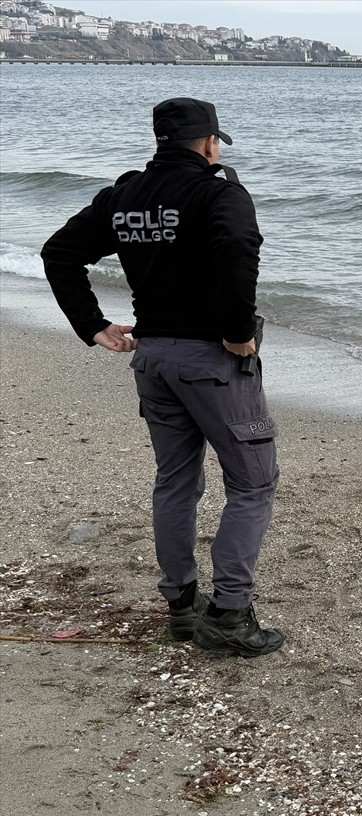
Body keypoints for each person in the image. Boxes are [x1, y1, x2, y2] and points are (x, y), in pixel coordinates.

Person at [42, 97, 285, 658]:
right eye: (217, 141)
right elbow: (238, 246)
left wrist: (93, 325)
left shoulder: (124, 196)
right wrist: (237, 330)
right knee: (252, 483)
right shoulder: (217, 191)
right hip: (212, 362)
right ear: (208, 143)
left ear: (161, 141)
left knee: (177, 481)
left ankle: (181, 606)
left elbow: (60, 252)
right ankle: (228, 613)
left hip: (152, 359)